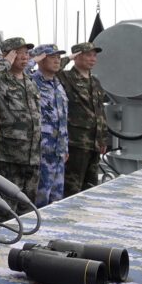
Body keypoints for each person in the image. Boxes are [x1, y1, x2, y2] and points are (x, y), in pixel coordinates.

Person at [0, 37, 41, 215]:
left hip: (32, 156)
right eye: (18, 52)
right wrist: (4, 63)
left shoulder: (30, 82)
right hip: (9, 157)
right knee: (6, 211)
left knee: (28, 209)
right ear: (7, 55)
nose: (24, 56)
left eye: (26, 52)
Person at [58, 41, 108, 196]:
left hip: (94, 143)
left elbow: (100, 112)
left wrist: (103, 138)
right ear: (77, 57)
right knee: (72, 188)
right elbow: (53, 68)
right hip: (76, 142)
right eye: (88, 55)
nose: (92, 59)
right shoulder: (67, 77)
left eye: (94, 56)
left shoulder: (95, 82)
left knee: (91, 187)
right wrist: (69, 57)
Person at [30, 44, 69, 207]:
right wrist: (32, 61)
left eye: (58, 58)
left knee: (57, 199)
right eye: (52, 57)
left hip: (58, 151)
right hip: (42, 151)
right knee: (40, 199)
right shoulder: (32, 82)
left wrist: (65, 147)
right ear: (41, 60)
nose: (57, 61)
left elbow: (62, 118)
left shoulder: (58, 84)